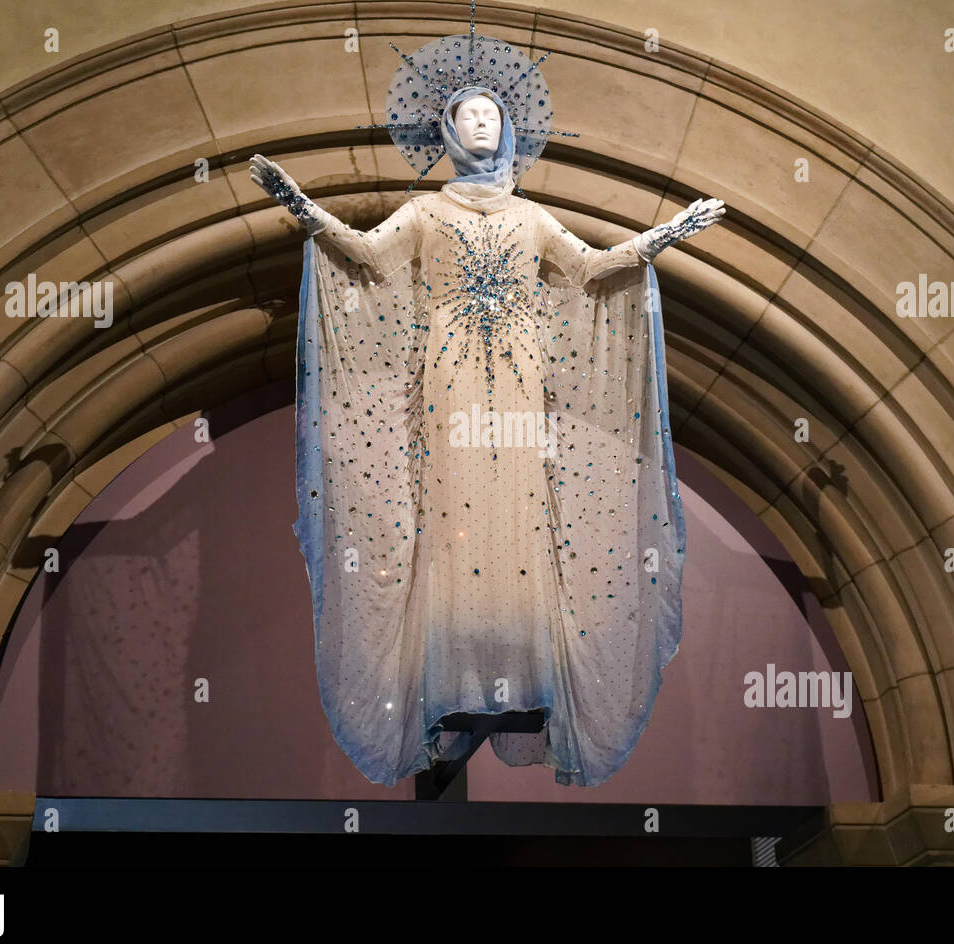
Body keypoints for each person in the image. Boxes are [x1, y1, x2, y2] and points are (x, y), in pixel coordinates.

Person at [251, 84, 724, 787]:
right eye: (468, 114)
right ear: (447, 129)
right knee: (451, 521)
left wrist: (671, 231)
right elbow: (365, 255)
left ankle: (523, 674)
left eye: (491, 115)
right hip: (448, 379)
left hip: (521, 380)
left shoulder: (532, 217)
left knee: (523, 517)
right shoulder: (425, 210)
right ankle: (452, 681)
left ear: (507, 132)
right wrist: (299, 203)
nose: (480, 122)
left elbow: (593, 268)